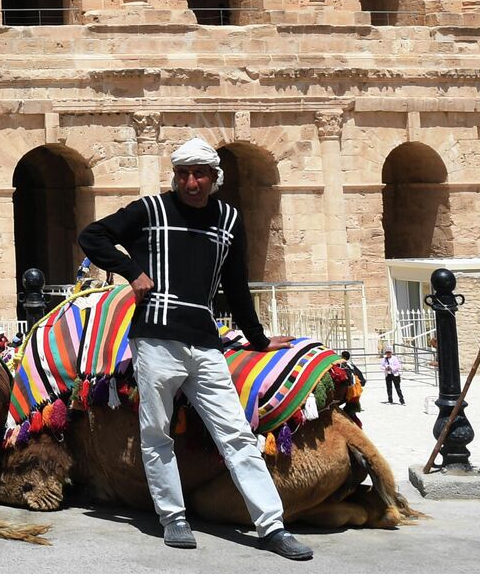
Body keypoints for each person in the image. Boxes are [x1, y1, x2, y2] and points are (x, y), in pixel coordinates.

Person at [79, 137, 313, 561]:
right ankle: (174, 517)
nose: (191, 182)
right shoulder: (150, 210)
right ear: (175, 176)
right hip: (155, 339)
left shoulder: (228, 219)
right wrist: (131, 271)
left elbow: (236, 286)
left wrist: (258, 339)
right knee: (156, 433)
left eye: (200, 174)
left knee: (238, 434)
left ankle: (272, 526)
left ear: (213, 177)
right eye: (184, 174)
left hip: (205, 343)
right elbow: (92, 236)